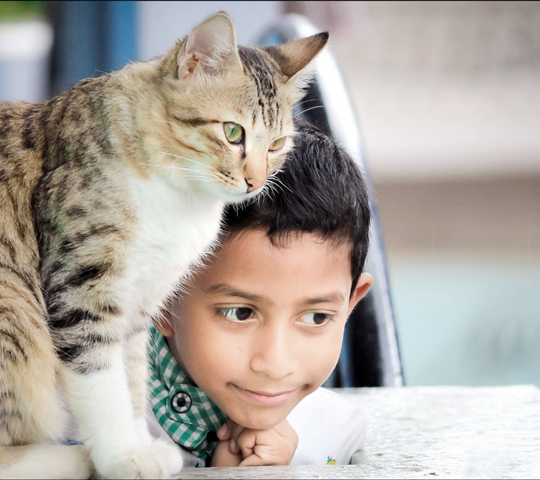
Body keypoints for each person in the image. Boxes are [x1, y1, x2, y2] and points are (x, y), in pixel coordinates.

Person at [146, 122, 374, 468]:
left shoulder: (333, 439)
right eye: (240, 312)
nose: (275, 364)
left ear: (349, 306)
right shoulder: (71, 427)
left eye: (316, 317)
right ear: (159, 300)